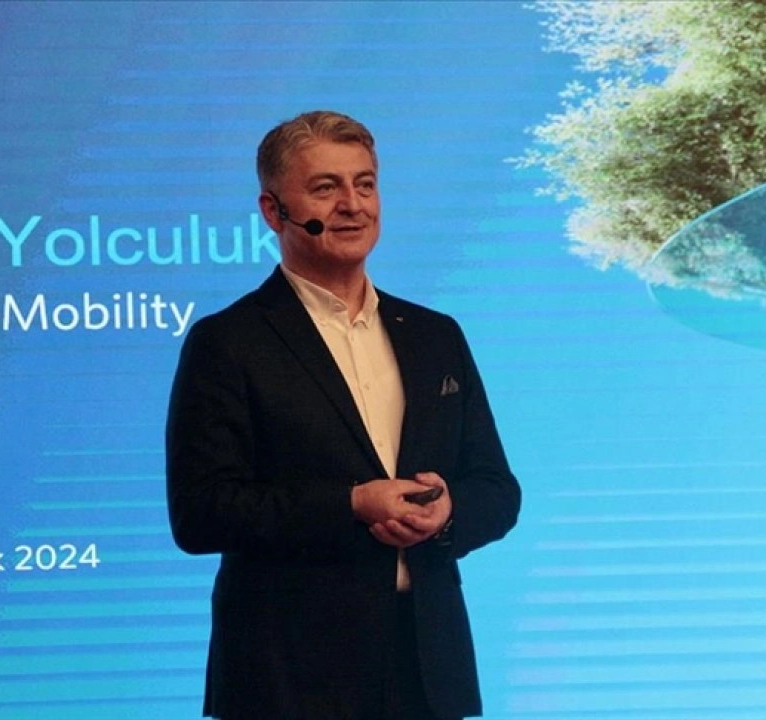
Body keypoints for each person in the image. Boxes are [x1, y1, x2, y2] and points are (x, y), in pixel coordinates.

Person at [165, 110, 521, 720]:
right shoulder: (228, 342)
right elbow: (201, 514)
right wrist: (351, 503)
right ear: (274, 211)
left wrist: (448, 512)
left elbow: (497, 488)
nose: (353, 205)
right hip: (290, 678)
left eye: (365, 184)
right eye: (326, 188)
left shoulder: (435, 335)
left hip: (428, 673)